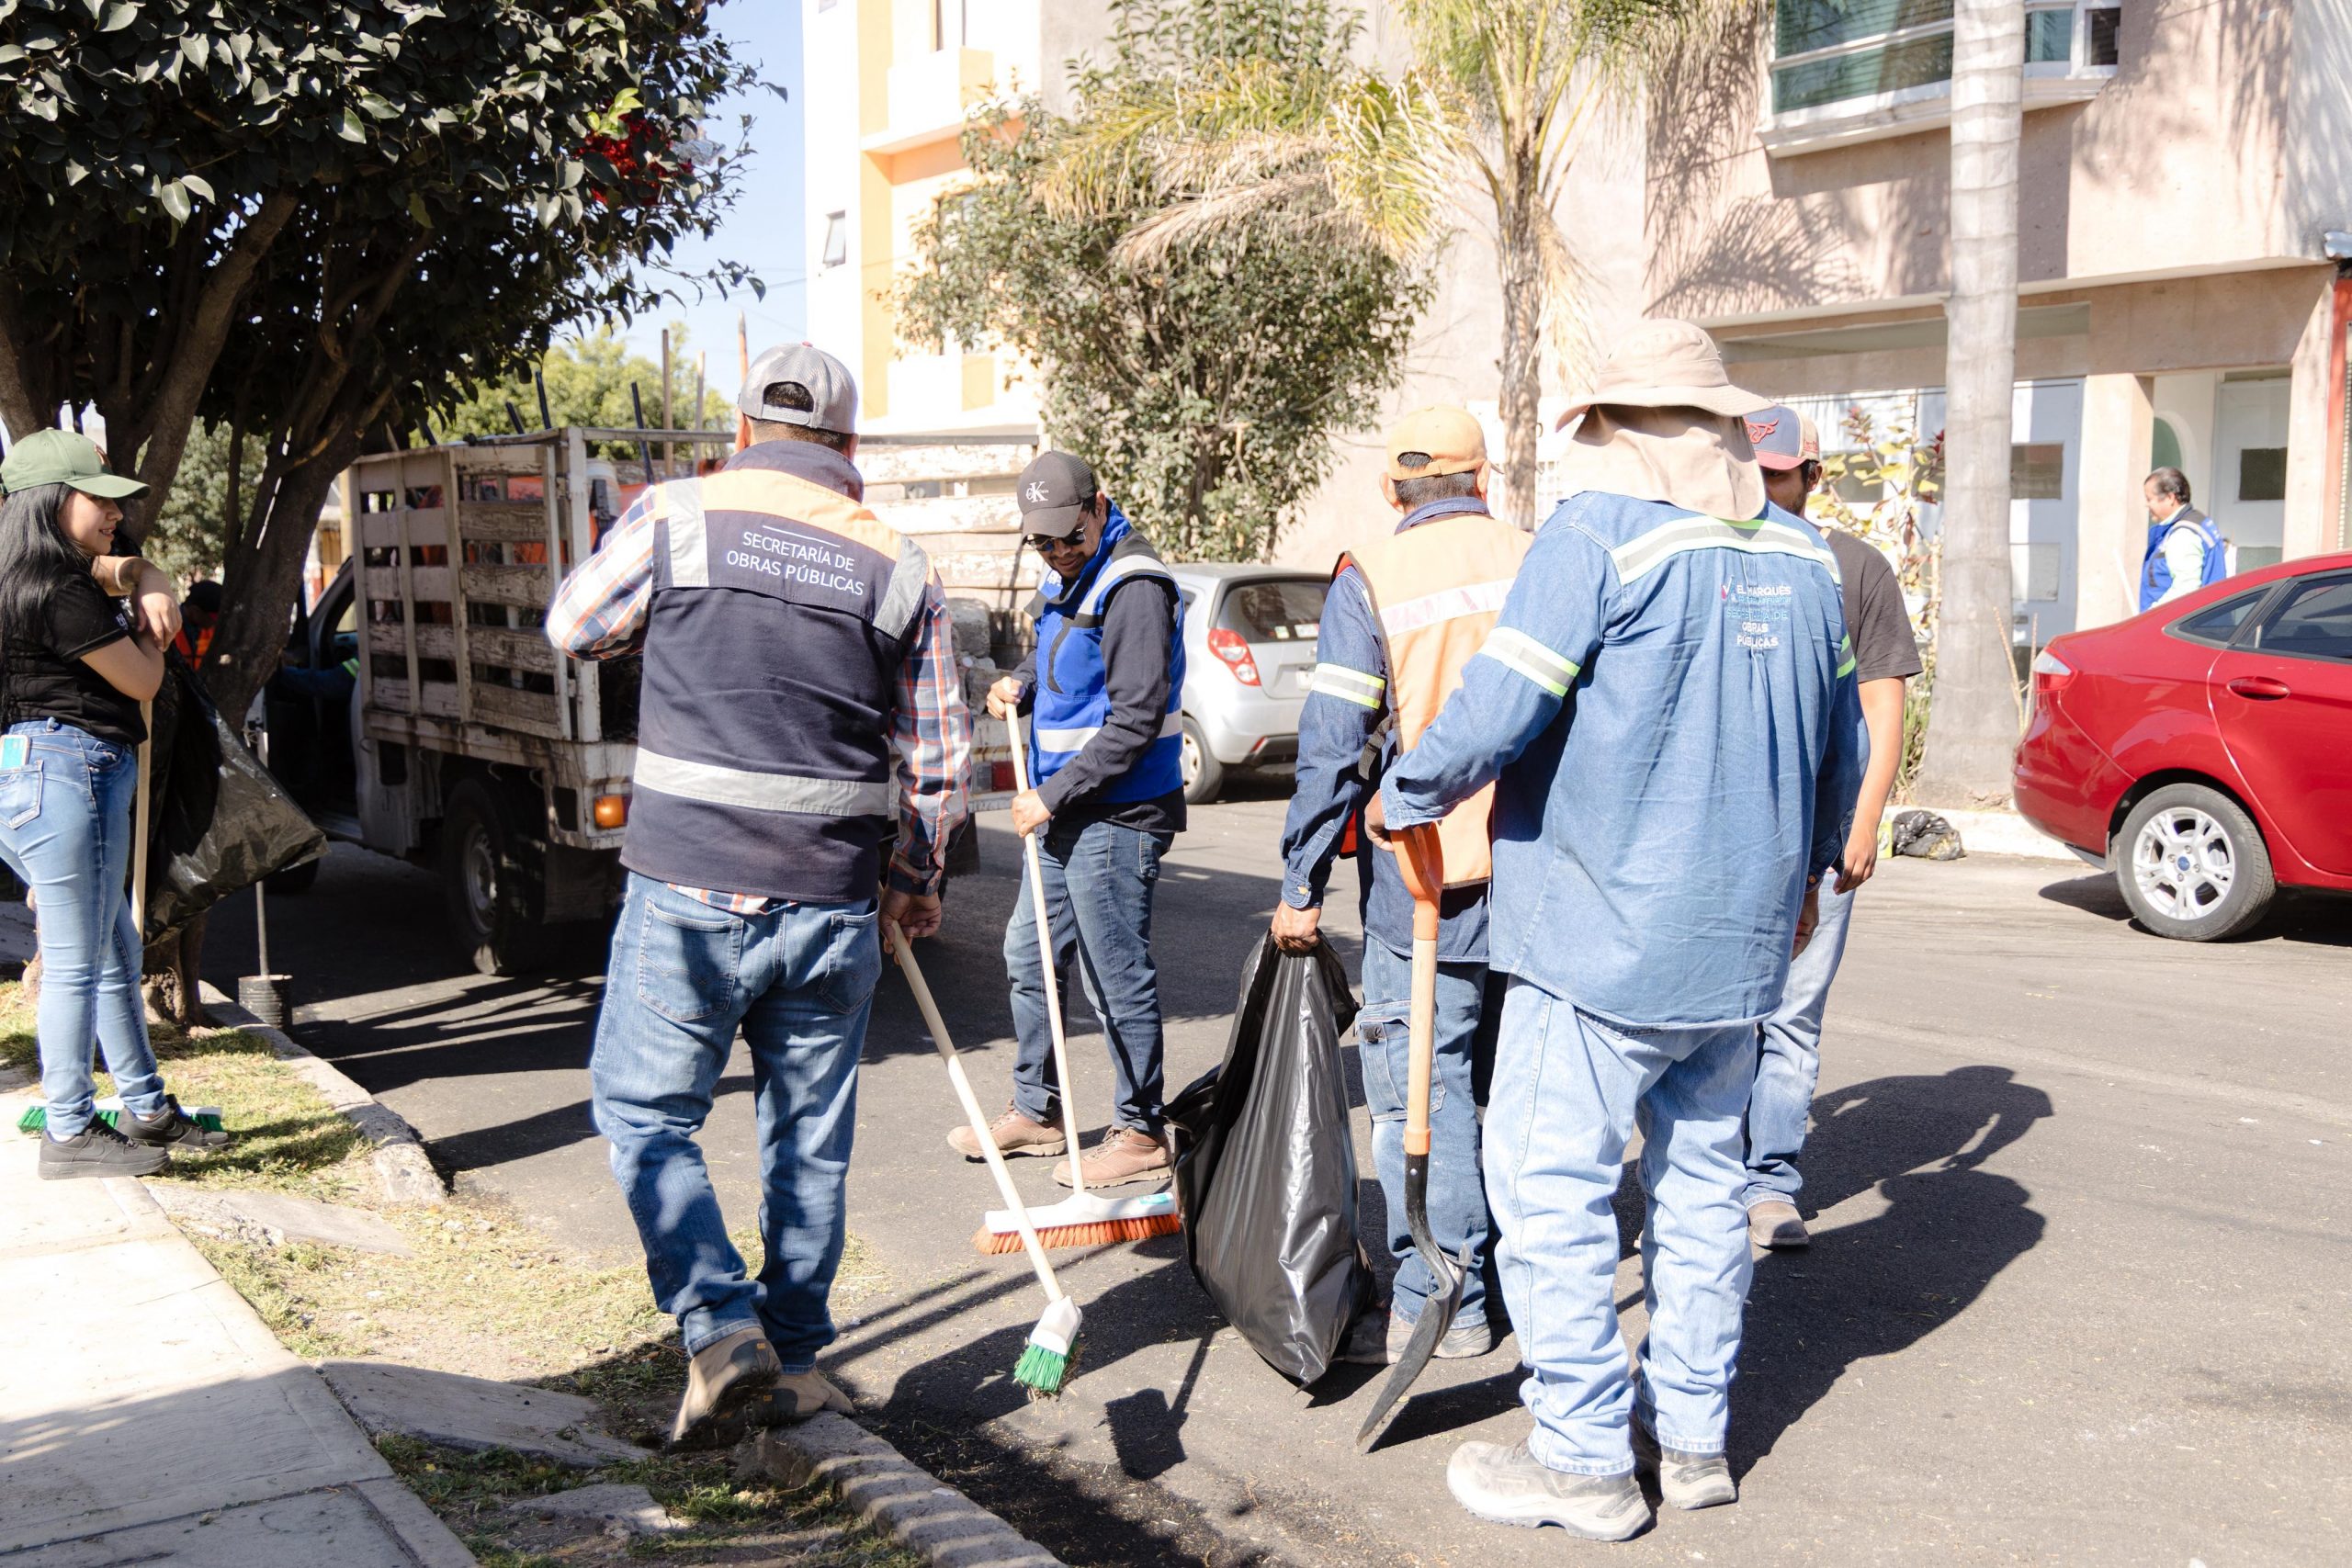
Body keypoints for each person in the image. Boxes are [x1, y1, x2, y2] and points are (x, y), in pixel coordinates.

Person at [1371, 321, 1865, 1540]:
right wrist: (1807, 875)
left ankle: (1584, 1456)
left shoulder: (1597, 536)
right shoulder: (1806, 557)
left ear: (1619, 429)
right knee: (1701, 1193)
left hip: (1598, 936)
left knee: (1549, 1192)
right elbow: (1840, 750)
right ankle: (1691, 1442)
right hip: (1741, 946)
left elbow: (1501, 706)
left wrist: (1405, 793)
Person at [547, 345, 969, 1447]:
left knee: (646, 1113)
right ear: (848, 446)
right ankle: (798, 1361)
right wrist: (912, 882)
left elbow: (575, 626)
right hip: (830, 901)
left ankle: (720, 1326)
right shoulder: (900, 564)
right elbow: (939, 764)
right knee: (808, 1142)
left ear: (742, 432)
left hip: (687, 890)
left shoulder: (677, 515)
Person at [1272, 407, 1527, 1366]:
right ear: (1484, 481)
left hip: (1426, 884)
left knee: (1423, 1094)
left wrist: (1300, 881)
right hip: (1539, 879)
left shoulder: (1371, 579)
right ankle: (1524, 1285)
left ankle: (1441, 1301)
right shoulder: (1540, 559)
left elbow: (1334, 745)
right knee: (1518, 1090)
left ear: (1392, 491)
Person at [947, 451, 1186, 1189]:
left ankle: (1141, 1131)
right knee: (1029, 955)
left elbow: (1136, 718)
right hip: (1065, 807)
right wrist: (1017, 681)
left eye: (1069, 535)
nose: (1057, 550)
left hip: (1117, 811)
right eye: (1043, 540)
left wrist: (1051, 795)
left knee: (1114, 974)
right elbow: (1056, 658)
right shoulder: (1065, 575)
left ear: (1098, 506)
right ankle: (1037, 1111)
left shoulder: (1133, 584)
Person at [0, 431, 231, 1179]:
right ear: (50, 503)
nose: (114, 513)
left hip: (38, 775)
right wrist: (150, 626)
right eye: (96, 498)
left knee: (111, 953)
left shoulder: (25, 571)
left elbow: (121, 565)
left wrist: (148, 574)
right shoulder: (60, 591)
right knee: (78, 963)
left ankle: (145, 1107)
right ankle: (70, 1130)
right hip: (71, 772)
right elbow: (141, 680)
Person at [1743, 407, 1922, 1249]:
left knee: (1791, 1015)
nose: (1760, 487)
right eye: (1750, 470)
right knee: (1715, 1017)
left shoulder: (1856, 569)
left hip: (1821, 836)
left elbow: (1881, 710)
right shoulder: (1718, 558)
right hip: (1733, 835)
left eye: (1778, 473)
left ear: (1812, 477)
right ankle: (1706, 1177)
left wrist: (1866, 819)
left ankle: (1769, 1184)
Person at [2139, 467, 2225, 612]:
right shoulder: (2199, 522)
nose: (2146, 505)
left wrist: (2150, 616)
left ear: (2170, 498)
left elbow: (2185, 590)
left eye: (2149, 499)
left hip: (2177, 621)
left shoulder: (2183, 535)